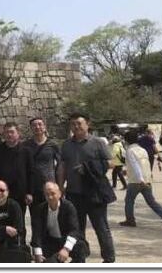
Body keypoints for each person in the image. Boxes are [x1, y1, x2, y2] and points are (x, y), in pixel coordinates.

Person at [57, 112, 116, 263]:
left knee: (101, 227)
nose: (76, 126)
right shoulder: (66, 144)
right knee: (76, 228)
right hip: (73, 193)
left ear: (87, 124)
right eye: (73, 124)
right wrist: (60, 186)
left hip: (95, 192)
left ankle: (109, 259)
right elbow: (62, 166)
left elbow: (111, 163)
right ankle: (79, 258)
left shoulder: (98, 142)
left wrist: (88, 167)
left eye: (79, 123)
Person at [119, 130, 162, 230]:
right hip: (147, 179)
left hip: (136, 181)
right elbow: (144, 164)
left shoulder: (130, 151)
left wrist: (140, 179)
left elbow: (135, 165)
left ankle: (130, 220)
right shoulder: (142, 150)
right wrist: (146, 178)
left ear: (126, 140)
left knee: (129, 200)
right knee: (151, 202)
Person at [0, 122, 33, 236]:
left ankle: (20, 243)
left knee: (19, 221)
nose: (9, 134)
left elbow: (31, 172)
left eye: (12, 132)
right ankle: (2, 242)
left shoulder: (26, 150)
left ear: (18, 133)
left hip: (20, 193)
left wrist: (29, 192)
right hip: (0, 193)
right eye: (6, 132)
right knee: (1, 220)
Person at [32, 182, 88, 263]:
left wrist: (66, 249)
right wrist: (38, 253)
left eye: (53, 193)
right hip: (51, 242)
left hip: (66, 239)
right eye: (47, 194)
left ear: (59, 194)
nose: (50, 197)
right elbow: (37, 233)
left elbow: (74, 230)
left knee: (80, 247)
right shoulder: (40, 209)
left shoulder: (68, 207)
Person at [24, 117, 60, 241]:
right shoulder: (26, 145)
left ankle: (51, 244)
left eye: (40, 124)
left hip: (50, 187)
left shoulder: (53, 145)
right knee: (36, 218)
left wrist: (59, 185)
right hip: (34, 188)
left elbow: (60, 165)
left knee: (51, 217)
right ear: (31, 128)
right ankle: (37, 244)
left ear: (44, 126)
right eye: (34, 125)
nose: (37, 127)